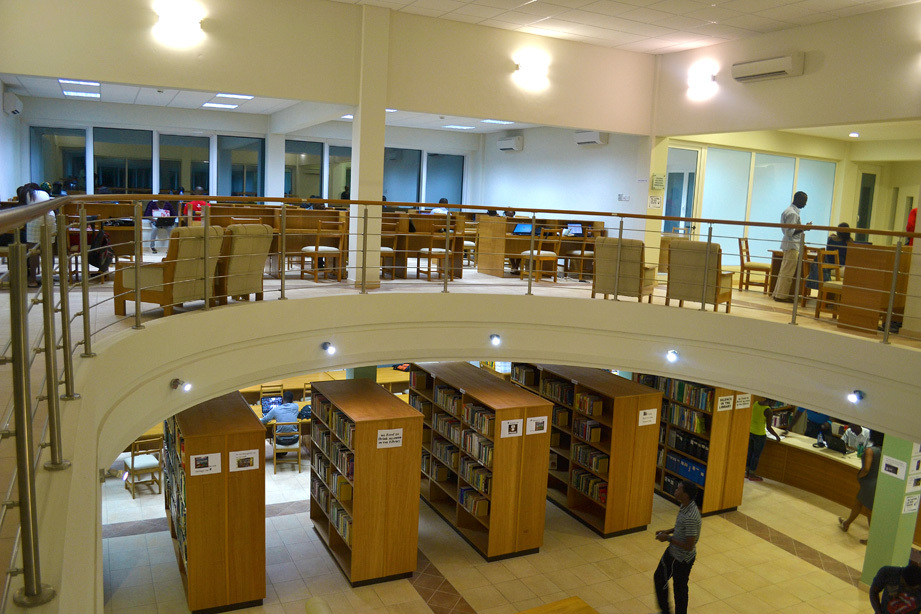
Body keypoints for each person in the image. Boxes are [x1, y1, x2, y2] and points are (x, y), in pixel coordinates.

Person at [654, 479, 701, 614]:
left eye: (679, 489)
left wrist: (668, 538)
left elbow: (689, 546)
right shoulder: (684, 505)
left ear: (685, 495)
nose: (675, 490)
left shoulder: (691, 517)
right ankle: (665, 611)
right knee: (659, 578)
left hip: (682, 560)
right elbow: (680, 528)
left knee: (679, 591)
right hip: (672, 552)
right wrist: (668, 531)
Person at [839, 431, 883, 543]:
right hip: (878, 481)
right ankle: (846, 523)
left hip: (869, 483)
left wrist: (859, 476)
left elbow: (866, 468)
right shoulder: (885, 451)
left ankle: (872, 538)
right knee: (858, 503)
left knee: (869, 510)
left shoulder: (870, 451)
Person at [773, 191, 811, 302]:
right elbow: (790, 232)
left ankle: (778, 293)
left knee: (784, 270)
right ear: (798, 199)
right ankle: (781, 296)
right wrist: (804, 228)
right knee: (788, 272)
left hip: (788, 245)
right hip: (792, 245)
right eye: (804, 201)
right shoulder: (793, 214)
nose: (805, 204)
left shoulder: (788, 211)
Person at [17, 183, 55, 288]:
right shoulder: (43, 193)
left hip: (34, 219)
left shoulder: (27, 193)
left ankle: (32, 280)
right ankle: (48, 279)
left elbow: (23, 212)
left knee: (33, 251)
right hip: (50, 216)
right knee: (48, 250)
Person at [747, 397, 781, 481]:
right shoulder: (768, 411)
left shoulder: (755, 403)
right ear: (772, 400)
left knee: (750, 453)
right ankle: (752, 474)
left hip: (750, 432)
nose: (775, 404)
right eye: (775, 402)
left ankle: (747, 472)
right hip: (759, 435)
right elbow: (768, 427)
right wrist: (777, 436)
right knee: (756, 455)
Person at [260, 390, 300, 456]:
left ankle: (279, 453)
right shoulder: (296, 407)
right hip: (294, 439)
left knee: (273, 430)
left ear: (282, 400)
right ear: (292, 400)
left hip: (280, 441)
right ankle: (282, 452)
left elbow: (265, 420)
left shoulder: (276, 410)